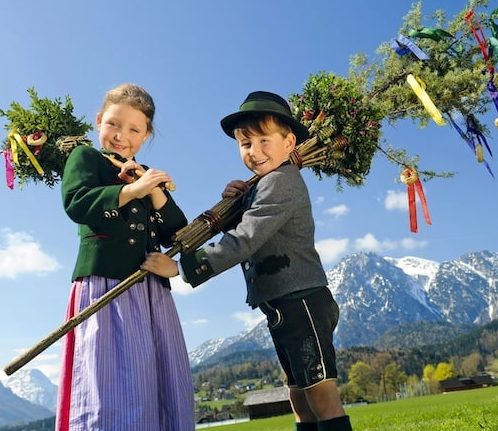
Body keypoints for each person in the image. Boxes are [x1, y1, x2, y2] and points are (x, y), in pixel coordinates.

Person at [142, 91, 352, 431]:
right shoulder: (262, 186)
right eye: (245, 144)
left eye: (264, 140)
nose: (254, 152)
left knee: (321, 394)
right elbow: (249, 222)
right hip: (283, 303)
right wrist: (236, 202)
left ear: (289, 142)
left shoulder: (282, 183)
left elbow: (247, 238)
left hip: (302, 301)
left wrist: (182, 267)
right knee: (298, 394)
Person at [56, 83, 194, 431]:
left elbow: (176, 232)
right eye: (114, 124)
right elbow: (77, 202)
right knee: (110, 384)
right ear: (99, 120)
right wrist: (132, 190)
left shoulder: (144, 174)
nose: (121, 136)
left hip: (150, 293)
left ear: (146, 135)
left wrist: (156, 191)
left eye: (134, 129)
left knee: (155, 379)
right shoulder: (85, 157)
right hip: (105, 288)